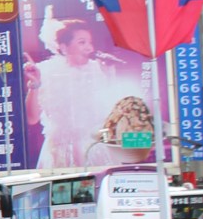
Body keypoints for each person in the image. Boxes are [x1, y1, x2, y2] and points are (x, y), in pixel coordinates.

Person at [24, 14, 134, 168]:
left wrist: (109, 75)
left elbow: (115, 114)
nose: (89, 48)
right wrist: (34, 85)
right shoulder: (46, 71)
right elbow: (32, 118)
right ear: (64, 47)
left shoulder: (99, 69)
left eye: (90, 42)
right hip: (59, 152)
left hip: (95, 148)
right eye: (82, 42)